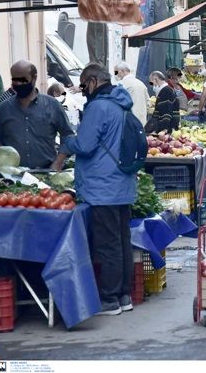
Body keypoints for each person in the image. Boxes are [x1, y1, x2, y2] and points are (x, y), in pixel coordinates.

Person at [61, 63, 138, 316]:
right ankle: (124, 295)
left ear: (93, 82)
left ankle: (110, 299)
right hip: (122, 185)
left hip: (102, 187)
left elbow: (84, 145)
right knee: (121, 240)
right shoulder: (121, 104)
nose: (83, 91)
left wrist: (66, 142)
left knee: (107, 245)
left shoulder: (97, 107)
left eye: (83, 85)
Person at [0, 60, 74, 170]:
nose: (18, 84)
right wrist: (1, 153)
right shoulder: (4, 109)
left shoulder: (52, 106)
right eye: (15, 80)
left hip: (46, 174)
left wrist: (59, 161)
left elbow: (68, 136)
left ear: (34, 78)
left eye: (22, 80)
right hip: (13, 178)